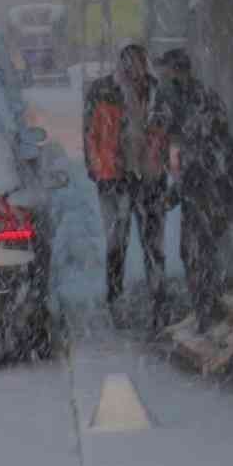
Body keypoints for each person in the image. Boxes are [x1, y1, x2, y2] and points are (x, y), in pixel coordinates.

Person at [83, 44, 169, 329]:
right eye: (129, 69)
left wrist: (161, 165)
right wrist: (98, 170)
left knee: (152, 242)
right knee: (116, 241)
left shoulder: (157, 93)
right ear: (120, 68)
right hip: (114, 179)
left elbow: (166, 134)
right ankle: (115, 297)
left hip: (149, 178)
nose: (134, 76)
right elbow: (90, 136)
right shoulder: (102, 92)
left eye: (138, 70)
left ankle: (158, 299)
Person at [153, 48, 233, 333]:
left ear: (178, 72)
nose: (164, 80)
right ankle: (205, 309)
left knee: (198, 253)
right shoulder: (189, 100)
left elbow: (199, 156)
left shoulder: (197, 103)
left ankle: (206, 311)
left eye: (167, 73)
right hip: (203, 190)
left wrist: (175, 194)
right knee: (198, 252)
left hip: (207, 191)